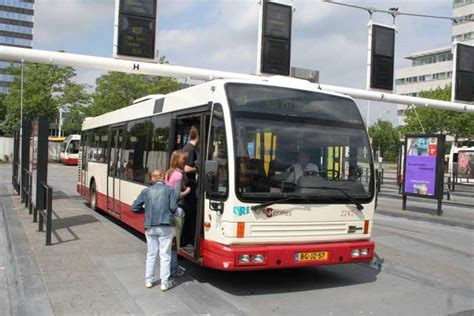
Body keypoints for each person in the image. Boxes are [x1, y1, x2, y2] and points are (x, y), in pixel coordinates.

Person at [131, 170, 177, 291]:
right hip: (166, 226)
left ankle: (149, 280)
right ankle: (164, 283)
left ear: (152, 179)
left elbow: (134, 208)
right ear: (163, 177)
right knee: (165, 254)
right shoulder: (170, 190)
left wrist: (146, 213)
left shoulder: (146, 191)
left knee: (151, 254)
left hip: (150, 226)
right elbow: (173, 208)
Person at [165, 150, 191, 278]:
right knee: (175, 243)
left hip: (168, 210)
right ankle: (174, 270)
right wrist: (187, 191)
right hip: (176, 211)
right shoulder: (178, 175)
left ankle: (171, 268)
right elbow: (176, 196)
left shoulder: (169, 172)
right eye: (184, 160)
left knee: (170, 243)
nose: (185, 162)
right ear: (178, 160)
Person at [181, 126, 199, 247]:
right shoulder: (190, 149)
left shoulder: (188, 147)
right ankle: (187, 240)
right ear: (197, 136)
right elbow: (186, 168)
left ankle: (187, 239)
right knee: (191, 214)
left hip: (189, 185)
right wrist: (197, 168)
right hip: (189, 186)